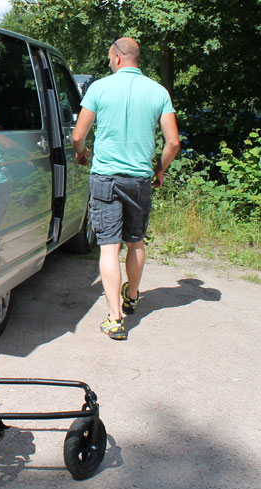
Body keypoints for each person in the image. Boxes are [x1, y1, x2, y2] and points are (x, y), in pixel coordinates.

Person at [71, 38, 180, 341]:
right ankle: (131, 296)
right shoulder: (158, 92)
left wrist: (81, 153)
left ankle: (114, 318)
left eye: (109, 58)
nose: (108, 62)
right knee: (136, 241)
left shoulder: (99, 89)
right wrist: (160, 169)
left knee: (109, 246)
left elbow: (78, 136)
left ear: (118, 58)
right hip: (139, 179)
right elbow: (173, 142)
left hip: (105, 176)